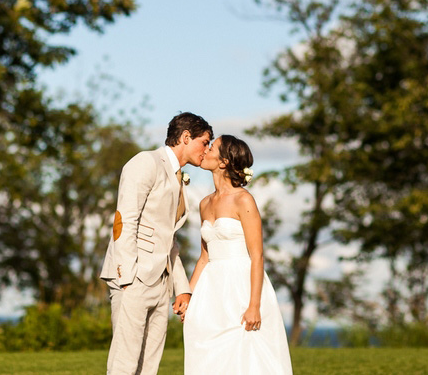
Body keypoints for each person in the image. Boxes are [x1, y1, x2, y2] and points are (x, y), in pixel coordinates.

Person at [100, 112, 213, 375]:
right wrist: (127, 278)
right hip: (134, 279)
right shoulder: (146, 162)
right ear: (186, 137)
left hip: (161, 284)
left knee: (149, 367)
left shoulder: (178, 176)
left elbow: (167, 238)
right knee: (124, 364)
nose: (206, 150)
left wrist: (181, 288)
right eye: (205, 142)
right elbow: (124, 221)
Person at [183, 135, 292, 375]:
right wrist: (187, 294)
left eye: (212, 146)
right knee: (208, 357)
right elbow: (204, 257)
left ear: (223, 161)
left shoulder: (244, 200)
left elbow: (257, 256)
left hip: (241, 287)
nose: (206, 149)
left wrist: (254, 305)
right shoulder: (204, 204)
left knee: (246, 358)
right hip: (211, 290)